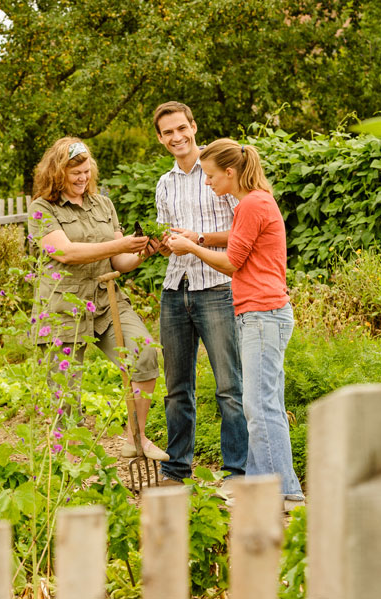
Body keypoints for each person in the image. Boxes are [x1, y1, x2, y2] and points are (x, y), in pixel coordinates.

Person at [167, 138, 304, 509]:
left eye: (211, 176)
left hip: (262, 314)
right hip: (263, 313)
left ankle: (280, 493)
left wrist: (192, 249)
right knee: (263, 404)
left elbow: (232, 262)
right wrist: (196, 236)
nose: (208, 182)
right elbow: (239, 241)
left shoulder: (251, 204)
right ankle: (270, 487)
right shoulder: (256, 202)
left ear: (230, 173)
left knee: (260, 408)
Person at [28, 136, 169, 462]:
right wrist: (120, 246)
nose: (82, 178)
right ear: (56, 172)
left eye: (86, 171)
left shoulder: (102, 205)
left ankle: (136, 437)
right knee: (65, 393)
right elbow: (65, 252)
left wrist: (142, 252)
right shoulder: (42, 208)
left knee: (145, 354)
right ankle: (65, 465)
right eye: (74, 173)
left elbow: (120, 263)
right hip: (63, 307)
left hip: (106, 300)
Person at [152, 102, 248, 484]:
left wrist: (199, 239)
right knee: (177, 389)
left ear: (194, 126)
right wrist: (160, 244)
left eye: (181, 129)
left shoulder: (222, 171)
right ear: (160, 139)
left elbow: (245, 228)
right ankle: (176, 469)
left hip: (218, 289)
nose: (177, 137)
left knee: (229, 387)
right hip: (176, 289)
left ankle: (237, 471)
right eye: (168, 133)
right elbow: (170, 235)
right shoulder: (164, 183)